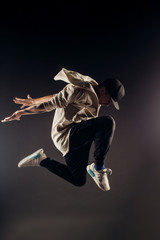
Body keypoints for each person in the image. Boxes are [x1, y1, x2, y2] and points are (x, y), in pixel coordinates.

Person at [1, 68, 125, 191]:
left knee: (78, 180)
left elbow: (58, 95)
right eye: (109, 100)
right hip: (67, 134)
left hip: (76, 138)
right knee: (107, 122)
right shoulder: (80, 90)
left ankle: (42, 160)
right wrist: (21, 112)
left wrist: (34, 101)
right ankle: (98, 167)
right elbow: (51, 104)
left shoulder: (94, 91)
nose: (108, 104)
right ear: (103, 90)